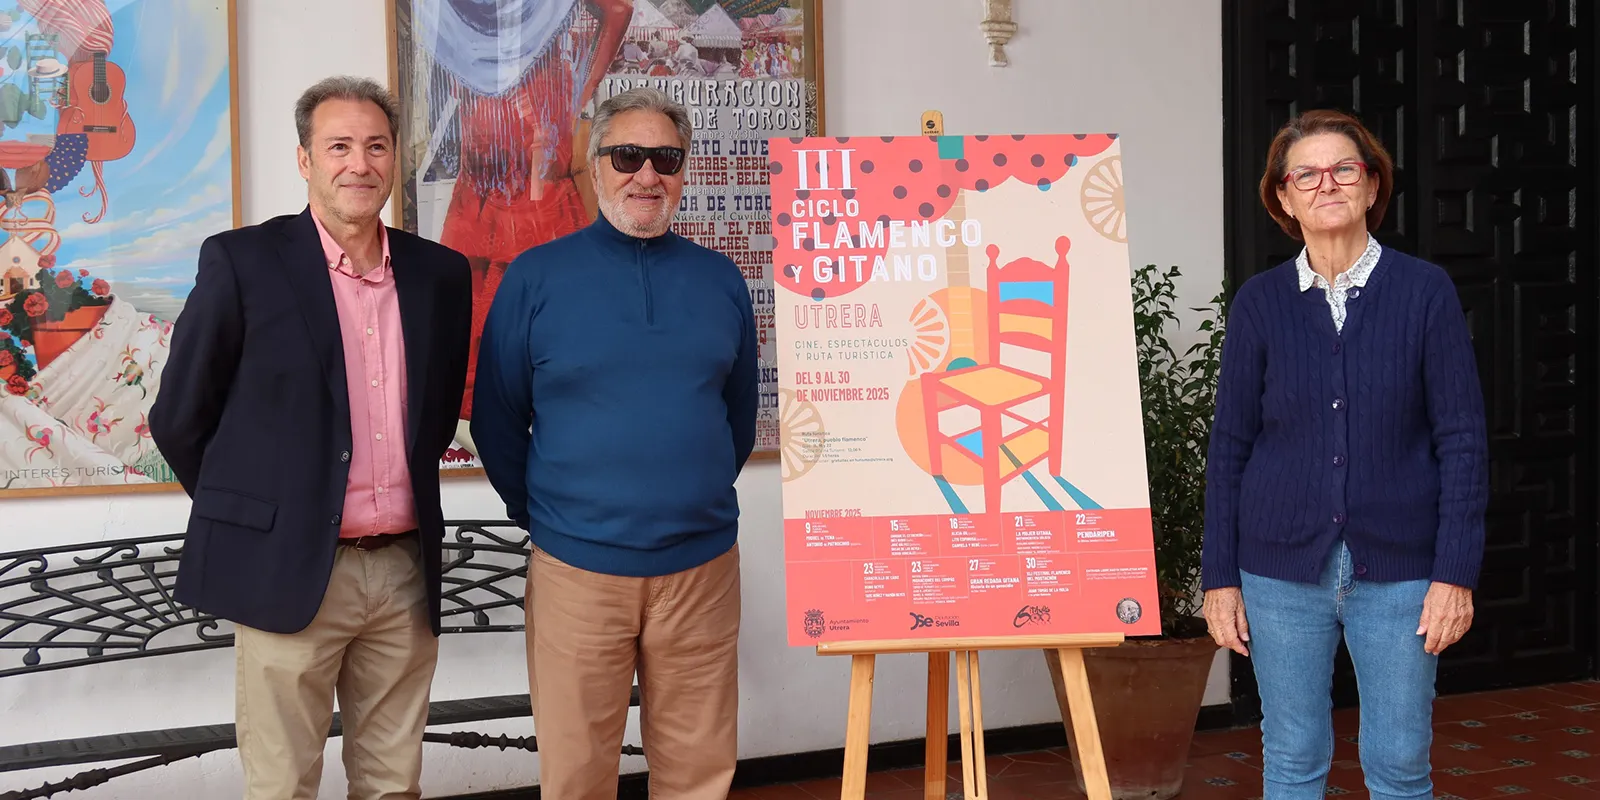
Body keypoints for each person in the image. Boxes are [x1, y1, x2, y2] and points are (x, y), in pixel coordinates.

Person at [148, 76, 472, 800]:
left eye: (376, 146)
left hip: (403, 571)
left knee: (393, 785)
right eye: (339, 146)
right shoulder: (243, 262)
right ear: (304, 160)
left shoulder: (440, 275)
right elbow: (179, 416)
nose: (359, 164)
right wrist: (261, 513)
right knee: (283, 785)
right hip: (288, 568)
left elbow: (437, 412)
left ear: (394, 158)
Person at [471, 86, 758, 800]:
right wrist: (551, 517)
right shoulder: (536, 278)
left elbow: (738, 419)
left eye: (666, 159)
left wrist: (689, 498)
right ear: (594, 165)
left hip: (701, 572)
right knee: (577, 775)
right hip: (577, 571)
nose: (647, 175)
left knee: (698, 773)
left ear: (684, 171)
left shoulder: (720, 281)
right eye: (627, 156)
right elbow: (497, 420)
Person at [1200, 108, 1489, 800]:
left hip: (1402, 573)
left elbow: (1462, 440)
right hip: (1277, 571)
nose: (1326, 184)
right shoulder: (1260, 303)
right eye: (1306, 174)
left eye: (1344, 169)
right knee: (1292, 757)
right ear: (1283, 197)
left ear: (1372, 185)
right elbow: (1230, 445)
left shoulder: (1424, 292)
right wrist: (1219, 578)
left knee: (1399, 763)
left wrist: (1454, 574)